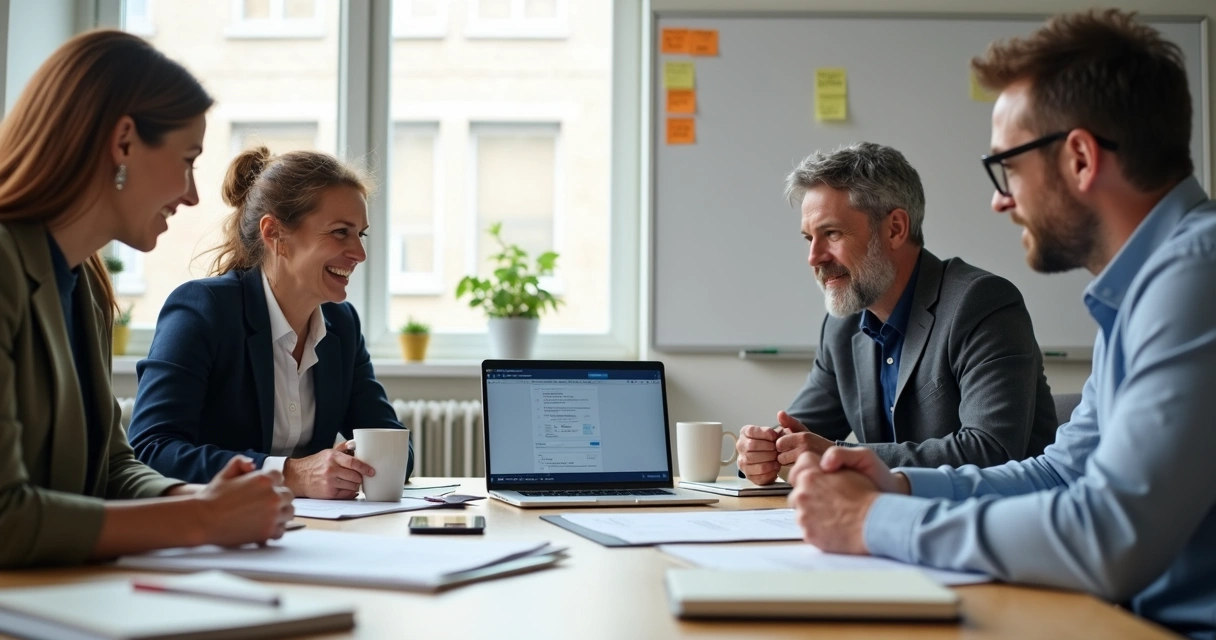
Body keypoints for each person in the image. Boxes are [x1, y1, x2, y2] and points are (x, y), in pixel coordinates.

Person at [787, 10, 1216, 639]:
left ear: (1078, 158)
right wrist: (899, 483)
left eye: (1007, 168)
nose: (1000, 198)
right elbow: (1059, 472)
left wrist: (871, 522)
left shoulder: (1195, 279)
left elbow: (1109, 536)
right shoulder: (1143, 290)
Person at [0, 30, 294, 568]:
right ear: (124, 141)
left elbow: (111, 467)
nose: (192, 194)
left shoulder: (83, 281)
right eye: (187, 159)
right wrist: (200, 520)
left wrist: (202, 498)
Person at [736, 142, 1057, 485]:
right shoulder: (841, 327)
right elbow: (802, 438)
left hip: (995, 526)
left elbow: (991, 450)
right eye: (808, 238)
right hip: (888, 524)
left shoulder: (981, 303)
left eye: (831, 234)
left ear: (895, 229)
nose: (814, 257)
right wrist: (763, 452)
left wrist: (836, 454)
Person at [128, 147, 415, 499]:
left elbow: (395, 445)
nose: (359, 253)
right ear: (275, 233)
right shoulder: (203, 310)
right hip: (217, 532)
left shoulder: (342, 326)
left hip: (314, 530)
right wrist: (290, 473)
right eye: (341, 232)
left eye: (361, 234)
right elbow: (150, 449)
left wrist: (350, 464)